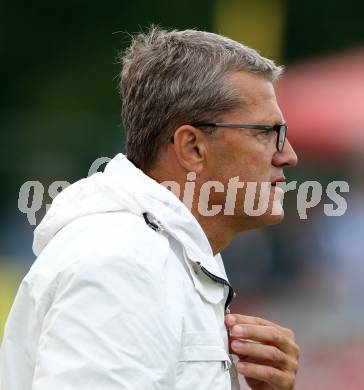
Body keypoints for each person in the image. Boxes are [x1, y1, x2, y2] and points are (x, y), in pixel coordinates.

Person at [0, 27, 299, 390]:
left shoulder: (155, 250)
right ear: (192, 147)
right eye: (267, 132)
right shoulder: (122, 260)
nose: (288, 155)